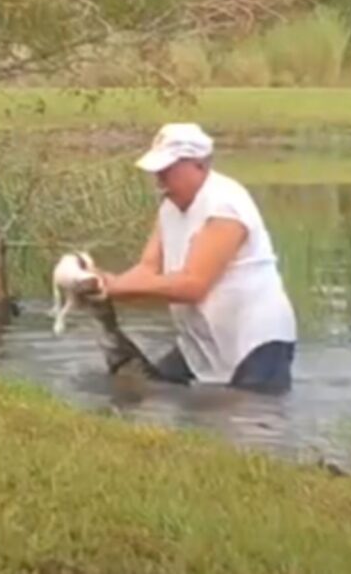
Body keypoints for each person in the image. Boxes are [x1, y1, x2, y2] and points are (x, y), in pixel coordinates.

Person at [97, 122, 298, 393]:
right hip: (202, 342)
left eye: (167, 171)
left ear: (200, 166)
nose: (160, 180)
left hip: (256, 340)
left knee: (252, 421)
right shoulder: (170, 208)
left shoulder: (225, 204)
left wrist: (115, 286)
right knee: (154, 397)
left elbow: (193, 285)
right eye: (157, 172)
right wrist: (101, 287)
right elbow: (147, 270)